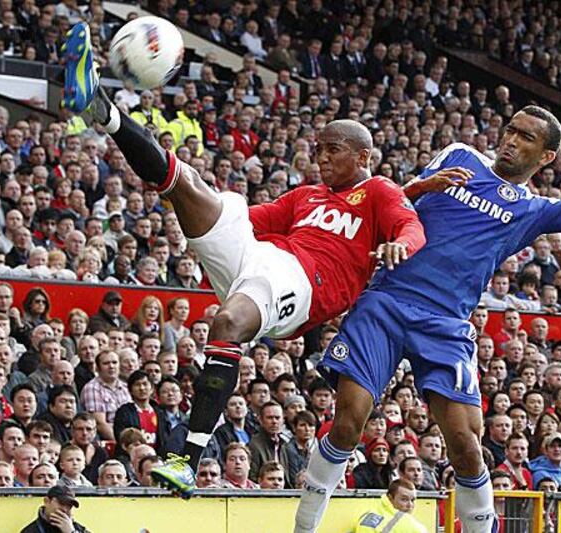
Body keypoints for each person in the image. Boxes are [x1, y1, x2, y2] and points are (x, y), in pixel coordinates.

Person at [63, 22, 451, 495]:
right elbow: (249, 220)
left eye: (333, 150)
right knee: (192, 186)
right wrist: (191, 207)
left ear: (364, 155)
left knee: (227, 324)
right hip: (262, 256)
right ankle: (102, 109)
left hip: (306, 284)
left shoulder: (379, 192)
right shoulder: (307, 195)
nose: (321, 158)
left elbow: (410, 227)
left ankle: (185, 457)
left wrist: (400, 246)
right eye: (317, 150)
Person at [296, 83, 561, 533]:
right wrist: (423, 185)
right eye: (510, 130)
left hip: (445, 323)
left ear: (546, 157)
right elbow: (388, 203)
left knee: (466, 445)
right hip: (387, 300)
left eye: (525, 137)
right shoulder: (459, 155)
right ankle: (304, 528)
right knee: (347, 424)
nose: (510, 140)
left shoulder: (534, 209)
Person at [351, 478, 427, 533]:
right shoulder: (410, 525)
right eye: (404, 499)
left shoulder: (367, 516)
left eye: (413, 500)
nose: (410, 505)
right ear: (390, 498)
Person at [19, 485, 91, 533]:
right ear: (47, 501)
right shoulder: (31, 531)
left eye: (69, 506)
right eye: (62, 503)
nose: (65, 509)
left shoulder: (78, 529)